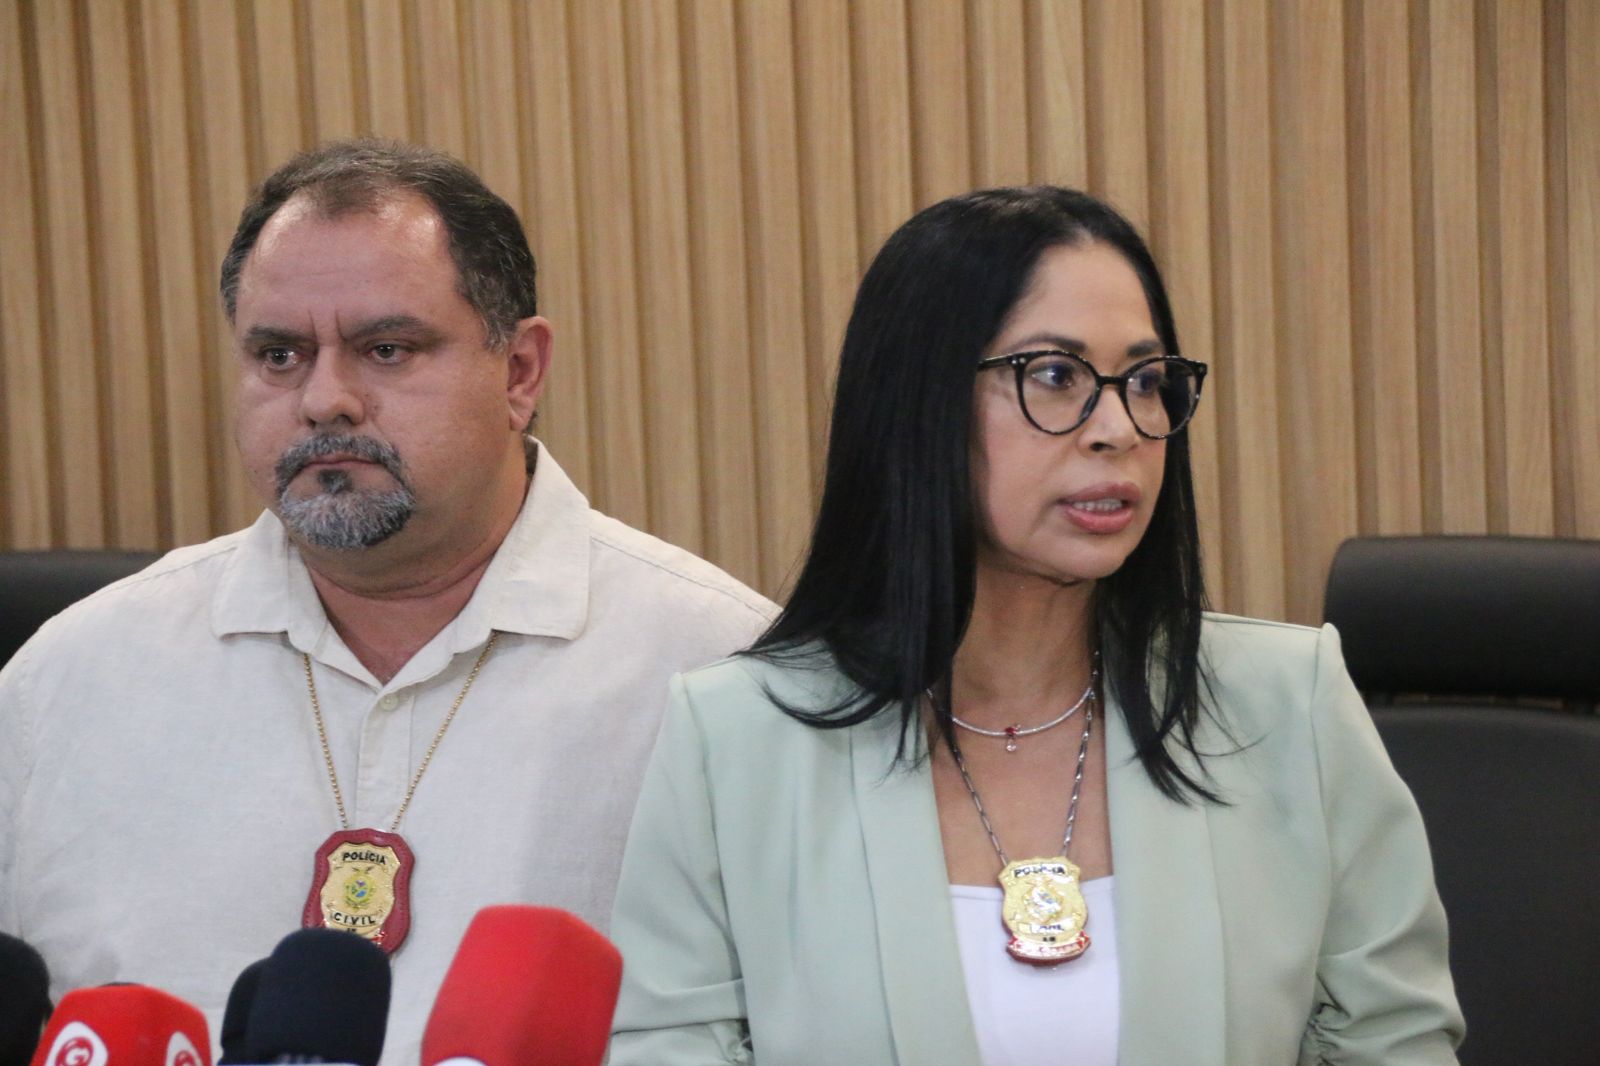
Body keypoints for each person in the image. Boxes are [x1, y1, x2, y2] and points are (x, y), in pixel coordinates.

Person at [608, 187, 1464, 1065]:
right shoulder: (737, 739)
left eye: (1144, 381)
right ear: (918, 403)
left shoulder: (1289, 705)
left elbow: (1395, 1041)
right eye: (1055, 376)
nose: (1118, 428)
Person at [0, 140, 774, 1062]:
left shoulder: (723, 670)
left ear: (521, 371)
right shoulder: (66, 679)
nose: (326, 400)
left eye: (387, 349)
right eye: (279, 354)